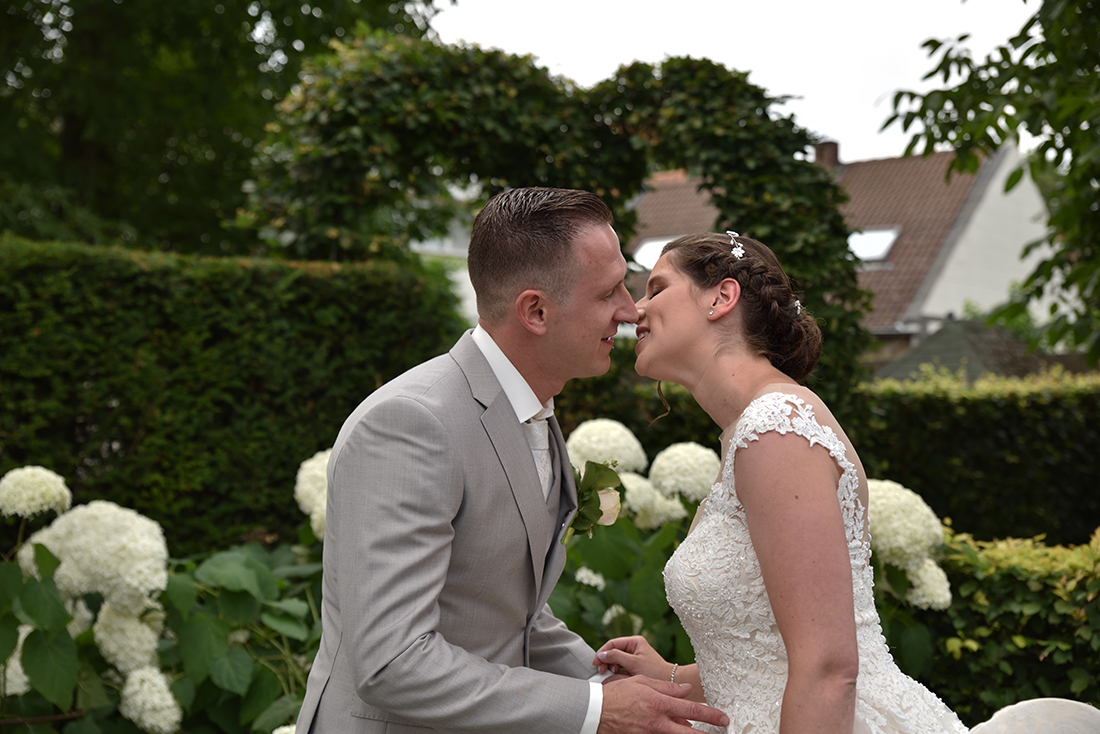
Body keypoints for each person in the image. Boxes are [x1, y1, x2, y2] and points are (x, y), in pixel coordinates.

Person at [594, 231, 1100, 734]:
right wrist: (672, 676)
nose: (635, 310)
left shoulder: (775, 426)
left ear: (721, 298)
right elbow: (769, 662)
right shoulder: (750, 432)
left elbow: (830, 669)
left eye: (656, 289)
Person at [295, 189, 731, 734]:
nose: (630, 309)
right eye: (608, 292)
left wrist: (609, 688)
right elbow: (392, 662)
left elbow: (508, 615)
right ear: (536, 311)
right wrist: (597, 713)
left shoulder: (532, 405)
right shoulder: (411, 424)